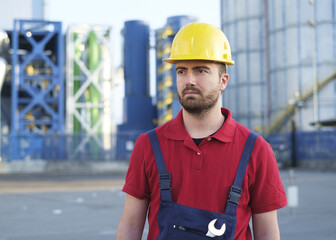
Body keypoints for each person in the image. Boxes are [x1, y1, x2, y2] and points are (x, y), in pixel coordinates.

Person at [116, 22, 287, 240]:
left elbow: (268, 233)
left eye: (201, 70)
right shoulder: (149, 145)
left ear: (223, 81)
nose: (189, 80)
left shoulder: (256, 150)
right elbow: (130, 226)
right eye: (181, 71)